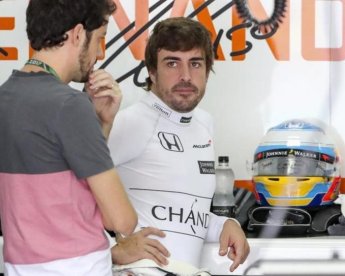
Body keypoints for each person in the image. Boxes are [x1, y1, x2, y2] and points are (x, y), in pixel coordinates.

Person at [0, 1, 137, 275]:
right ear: (76, 34)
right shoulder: (70, 105)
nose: (99, 53)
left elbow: (56, 184)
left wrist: (102, 125)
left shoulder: (5, 98)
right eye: (99, 39)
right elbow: (121, 221)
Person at [108, 17, 250, 274]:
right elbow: (67, 197)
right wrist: (111, 251)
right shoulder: (130, 122)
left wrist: (224, 224)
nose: (185, 76)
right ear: (151, 71)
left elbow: (182, 214)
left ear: (207, 70)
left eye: (195, 63)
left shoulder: (205, 124)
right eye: (172, 63)